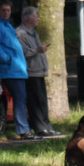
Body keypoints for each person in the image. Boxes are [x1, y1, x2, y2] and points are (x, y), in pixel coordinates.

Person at [0, 0, 33, 139]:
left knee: (21, 98)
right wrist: (8, 60)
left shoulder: (7, 25)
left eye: (8, 10)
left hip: (17, 68)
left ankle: (25, 129)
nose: (6, 13)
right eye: (3, 10)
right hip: (9, 69)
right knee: (20, 98)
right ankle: (23, 130)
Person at [15, 7, 61, 138]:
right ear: (28, 19)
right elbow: (22, 53)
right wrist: (37, 51)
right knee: (35, 101)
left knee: (42, 100)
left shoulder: (34, 33)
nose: (38, 19)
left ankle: (47, 126)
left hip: (40, 70)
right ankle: (40, 127)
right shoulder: (20, 34)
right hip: (31, 72)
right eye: (36, 16)